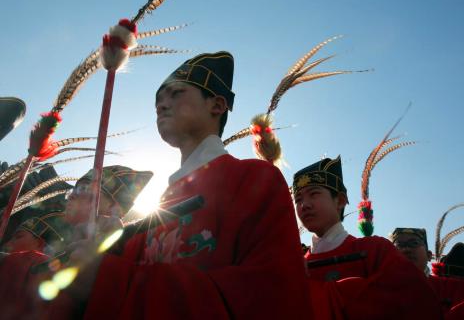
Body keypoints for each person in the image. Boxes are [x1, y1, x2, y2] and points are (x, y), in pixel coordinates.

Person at [48, 51, 308, 319]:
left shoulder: (256, 178)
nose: (161, 105)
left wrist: (109, 279)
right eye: (158, 101)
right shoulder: (160, 206)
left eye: (176, 93)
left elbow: (271, 297)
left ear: (216, 105)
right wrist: (110, 250)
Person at [294, 156, 442, 319]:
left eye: (314, 194)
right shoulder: (295, 263)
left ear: (340, 201)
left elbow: (413, 298)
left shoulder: (375, 249)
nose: (304, 205)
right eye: (298, 199)